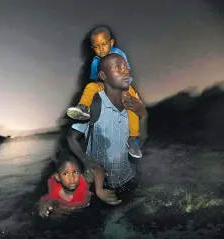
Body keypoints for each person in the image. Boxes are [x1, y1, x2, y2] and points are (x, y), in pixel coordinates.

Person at [67, 53, 148, 200]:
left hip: (129, 179)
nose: (125, 71)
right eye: (118, 67)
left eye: (125, 67)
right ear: (103, 76)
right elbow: (71, 138)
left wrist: (144, 115)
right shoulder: (95, 103)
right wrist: (87, 161)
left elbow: (141, 140)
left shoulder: (133, 104)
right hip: (101, 186)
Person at [66, 26, 144, 158]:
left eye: (104, 44)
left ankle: (133, 139)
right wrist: (99, 86)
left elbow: (126, 72)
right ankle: (82, 108)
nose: (101, 49)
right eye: (96, 46)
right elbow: (95, 78)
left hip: (123, 84)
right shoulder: (95, 61)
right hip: (104, 84)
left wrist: (125, 89)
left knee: (131, 105)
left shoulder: (119, 54)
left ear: (111, 43)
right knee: (90, 86)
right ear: (92, 48)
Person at [38, 149, 121, 218]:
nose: (72, 178)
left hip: (87, 212)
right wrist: (42, 205)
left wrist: (99, 190)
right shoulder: (55, 190)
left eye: (75, 172)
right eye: (65, 174)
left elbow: (97, 169)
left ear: (81, 173)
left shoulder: (83, 182)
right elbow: (44, 199)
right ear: (58, 177)